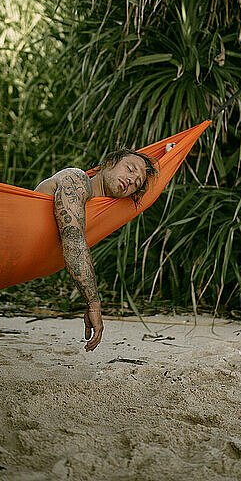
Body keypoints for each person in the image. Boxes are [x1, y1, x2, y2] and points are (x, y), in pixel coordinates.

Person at [33, 143, 175, 352]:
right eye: (130, 169)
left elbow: (150, 192)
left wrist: (170, 156)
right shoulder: (76, 179)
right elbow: (73, 239)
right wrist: (93, 304)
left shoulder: (96, 205)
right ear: (109, 163)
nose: (131, 180)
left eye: (137, 183)